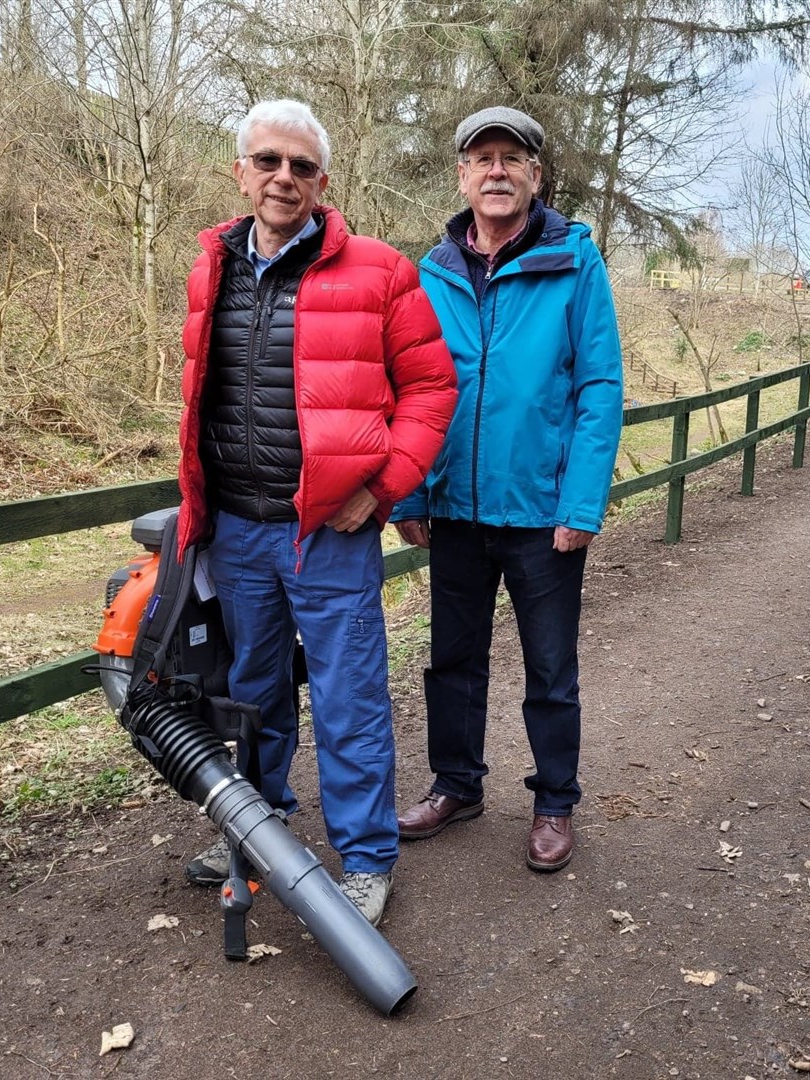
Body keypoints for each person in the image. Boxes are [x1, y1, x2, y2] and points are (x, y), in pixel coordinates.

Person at [174, 99, 457, 926]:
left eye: (300, 166)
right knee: (252, 693)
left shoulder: (379, 271)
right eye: (268, 161)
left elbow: (434, 388)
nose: (283, 178)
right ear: (241, 172)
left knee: (349, 696)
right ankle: (256, 835)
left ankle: (367, 859)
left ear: (323, 182)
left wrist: (385, 487)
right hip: (237, 529)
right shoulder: (211, 269)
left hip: (329, 534)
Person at [391, 106, 623, 872]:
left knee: (549, 667)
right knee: (451, 660)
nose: (496, 170)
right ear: (462, 175)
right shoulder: (431, 272)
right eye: (481, 158)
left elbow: (599, 387)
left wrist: (582, 503)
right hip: (454, 510)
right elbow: (414, 387)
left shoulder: (573, 262)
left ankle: (555, 800)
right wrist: (411, 492)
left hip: (542, 514)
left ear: (535, 176)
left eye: (511, 159)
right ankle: (458, 784)